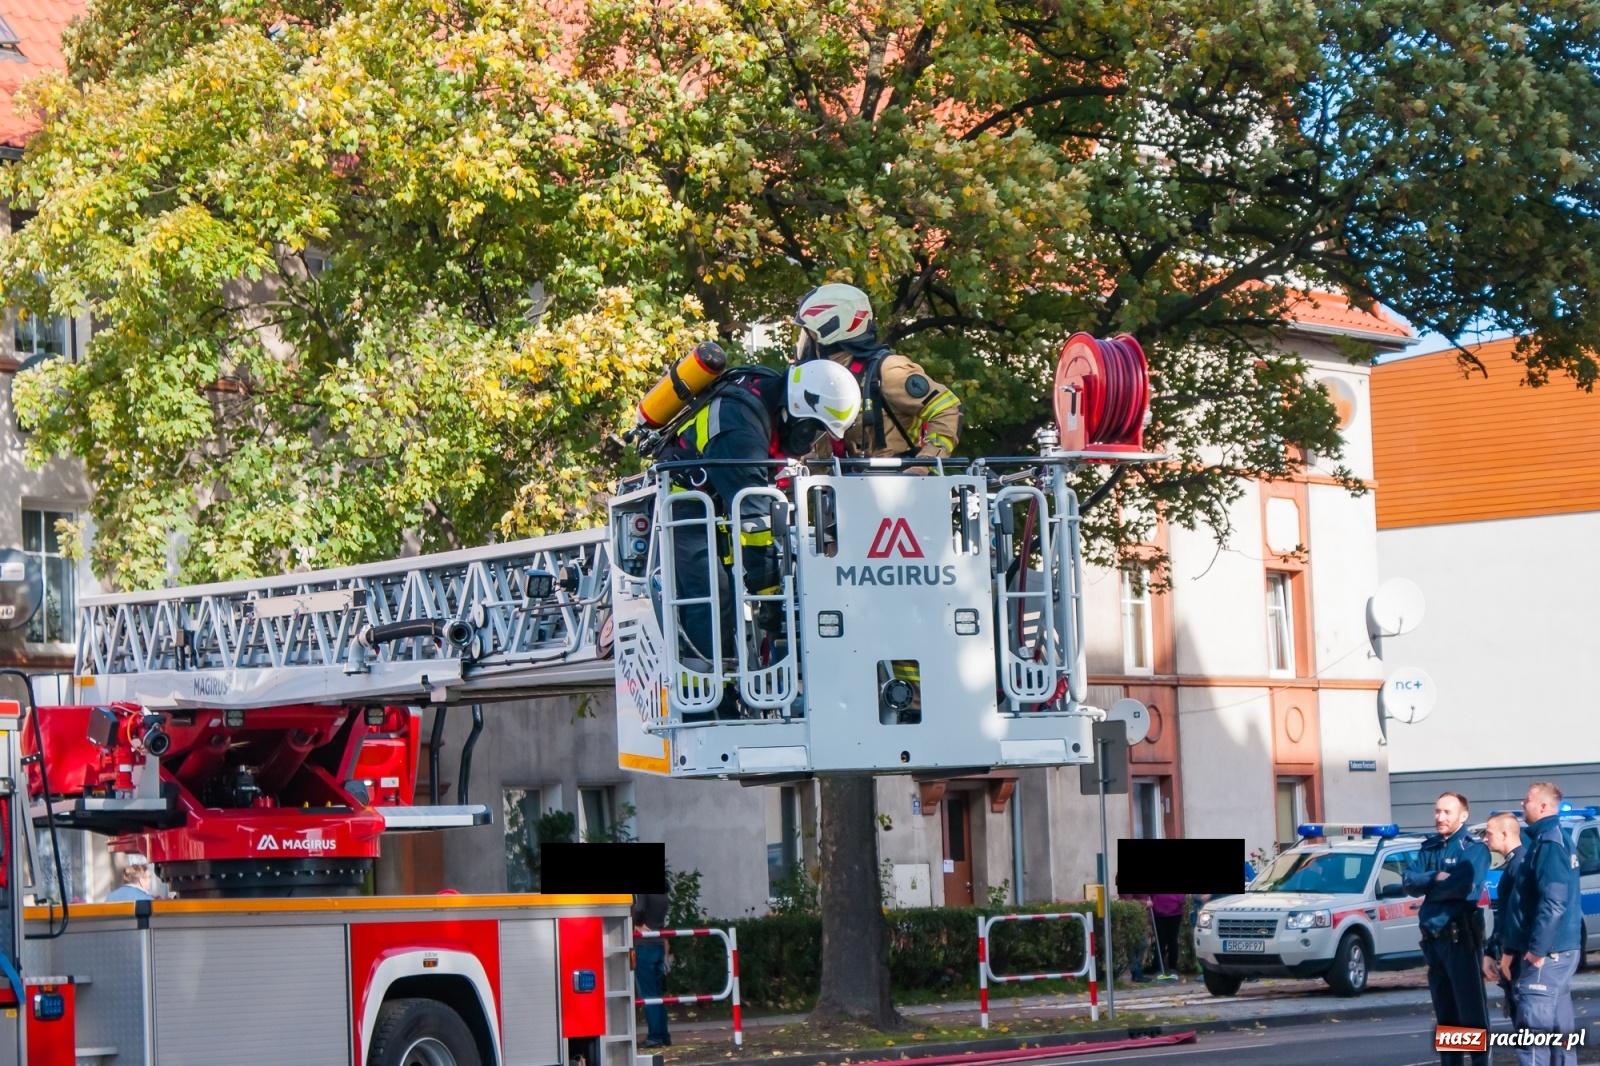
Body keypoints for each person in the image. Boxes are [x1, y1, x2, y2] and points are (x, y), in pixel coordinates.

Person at [657, 359, 861, 718]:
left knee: (759, 584)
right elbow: (752, 518)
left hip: (719, 500)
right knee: (711, 593)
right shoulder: (740, 425)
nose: (812, 443)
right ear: (797, 410)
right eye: (813, 431)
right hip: (687, 506)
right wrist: (770, 594)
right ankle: (705, 704)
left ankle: (749, 684)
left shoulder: (767, 405)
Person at [793, 284, 962, 463]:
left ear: (831, 328)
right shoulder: (832, 379)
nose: (806, 343)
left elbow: (947, 409)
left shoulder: (888, 370)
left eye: (809, 334)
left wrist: (925, 463)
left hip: (903, 482)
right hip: (854, 481)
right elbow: (822, 451)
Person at [1403, 791, 1490, 1066]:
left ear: (1463, 816)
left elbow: (1465, 888)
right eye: (1437, 811)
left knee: (1471, 1013)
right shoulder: (1429, 847)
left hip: (1460, 939)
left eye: (1447, 812)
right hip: (1433, 942)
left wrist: (1430, 888)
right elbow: (1408, 881)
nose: (1440, 817)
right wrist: (1434, 878)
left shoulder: (1473, 848)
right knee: (1447, 1015)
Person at [1507, 782, 1583, 1065]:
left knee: (1534, 1039)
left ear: (1543, 806)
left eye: (1526, 800)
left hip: (1548, 955)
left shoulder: (1549, 844)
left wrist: (1537, 949)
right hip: (1558, 950)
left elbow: (1554, 901)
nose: (1521, 803)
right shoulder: (1552, 839)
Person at [1482, 812, 1527, 1021]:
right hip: (1511, 952)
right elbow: (1502, 916)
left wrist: (1507, 955)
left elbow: (1517, 916)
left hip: (1518, 956)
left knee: (1526, 1026)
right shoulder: (1512, 865)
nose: (1485, 838)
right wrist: (1490, 950)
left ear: (1505, 834)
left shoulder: (1519, 865)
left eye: (1489, 833)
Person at [633, 892, 672, 1048]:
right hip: (657, 943)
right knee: (657, 993)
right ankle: (663, 1035)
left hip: (643, 945)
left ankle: (654, 1036)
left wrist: (637, 923)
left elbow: (639, 908)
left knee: (648, 994)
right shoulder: (663, 892)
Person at [1149, 894, 1187, 980]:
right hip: (1158, 913)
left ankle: (1172, 967)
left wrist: (1179, 900)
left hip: (1175, 913)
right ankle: (1158, 967)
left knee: (1172, 941)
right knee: (1160, 942)